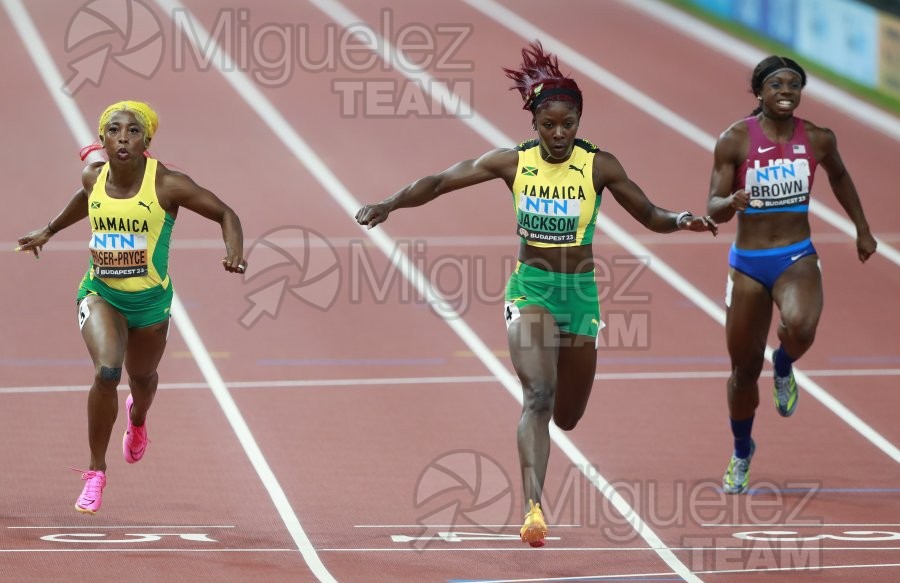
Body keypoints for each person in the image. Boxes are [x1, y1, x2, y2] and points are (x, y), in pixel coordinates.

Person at [356, 42, 717, 547]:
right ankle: (533, 509)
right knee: (538, 395)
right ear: (534, 124)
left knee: (567, 416)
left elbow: (651, 215)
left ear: (579, 121)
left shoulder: (599, 166)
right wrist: (389, 203)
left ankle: (541, 476)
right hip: (531, 289)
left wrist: (682, 221)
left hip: (581, 297)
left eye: (567, 124)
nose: (558, 135)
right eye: (548, 125)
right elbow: (439, 181)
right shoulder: (513, 163)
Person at [15, 101, 248, 514]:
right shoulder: (93, 176)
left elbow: (226, 212)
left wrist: (234, 251)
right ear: (102, 140)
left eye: (133, 131)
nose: (123, 138)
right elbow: (85, 198)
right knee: (108, 369)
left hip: (151, 305)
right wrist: (48, 231)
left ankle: (137, 421)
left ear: (147, 142)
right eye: (115, 131)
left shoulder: (168, 185)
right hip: (100, 294)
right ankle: (95, 472)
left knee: (142, 378)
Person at [707, 56, 877, 495]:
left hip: (795, 256)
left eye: (794, 85)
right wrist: (732, 203)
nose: (787, 90)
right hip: (747, 264)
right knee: (743, 373)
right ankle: (742, 451)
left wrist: (862, 228)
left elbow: (840, 176)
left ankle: (783, 364)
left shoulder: (818, 139)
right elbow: (712, 205)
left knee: (800, 326)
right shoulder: (734, 140)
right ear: (759, 93)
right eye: (777, 84)